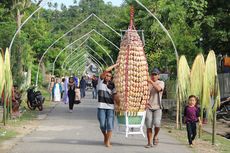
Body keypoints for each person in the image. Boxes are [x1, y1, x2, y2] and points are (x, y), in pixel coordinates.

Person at [97, 63, 119, 147]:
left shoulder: (113, 86)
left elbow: (115, 97)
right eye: (106, 75)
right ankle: (105, 136)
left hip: (110, 108)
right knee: (102, 124)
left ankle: (108, 141)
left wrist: (118, 105)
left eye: (109, 76)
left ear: (111, 77)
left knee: (110, 124)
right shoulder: (100, 82)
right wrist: (116, 65)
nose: (107, 77)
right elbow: (106, 70)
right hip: (101, 107)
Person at [145, 68, 165, 148]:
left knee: (157, 123)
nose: (153, 76)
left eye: (155, 74)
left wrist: (151, 82)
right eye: (152, 74)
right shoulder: (147, 83)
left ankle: (155, 136)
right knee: (149, 125)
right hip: (148, 107)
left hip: (158, 107)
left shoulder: (161, 82)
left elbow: (159, 89)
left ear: (158, 76)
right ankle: (149, 142)